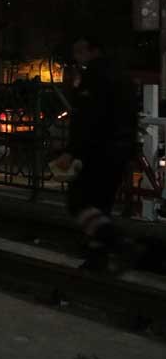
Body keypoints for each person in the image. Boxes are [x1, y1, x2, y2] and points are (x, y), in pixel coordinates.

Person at [52, 36, 138, 271]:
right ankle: (98, 256)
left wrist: (71, 151)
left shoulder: (94, 78)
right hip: (120, 150)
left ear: (93, 50)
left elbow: (88, 120)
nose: (77, 57)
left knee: (79, 202)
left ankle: (115, 241)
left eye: (80, 51)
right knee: (100, 206)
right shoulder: (122, 76)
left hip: (99, 151)